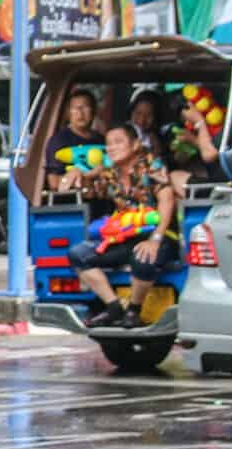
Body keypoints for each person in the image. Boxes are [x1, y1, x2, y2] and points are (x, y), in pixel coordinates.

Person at [67, 123, 181, 328]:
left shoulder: (151, 166)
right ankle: (113, 307)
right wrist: (77, 172)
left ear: (135, 145)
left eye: (118, 142)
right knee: (78, 254)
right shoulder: (110, 172)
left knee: (143, 258)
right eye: (108, 144)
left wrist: (155, 239)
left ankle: (133, 311)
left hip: (159, 236)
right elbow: (88, 186)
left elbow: (167, 200)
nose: (112, 148)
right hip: (123, 238)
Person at [45, 89, 104, 177]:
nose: (80, 113)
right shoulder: (59, 140)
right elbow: (54, 181)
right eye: (75, 108)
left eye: (85, 107)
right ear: (68, 113)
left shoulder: (101, 140)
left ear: (94, 110)